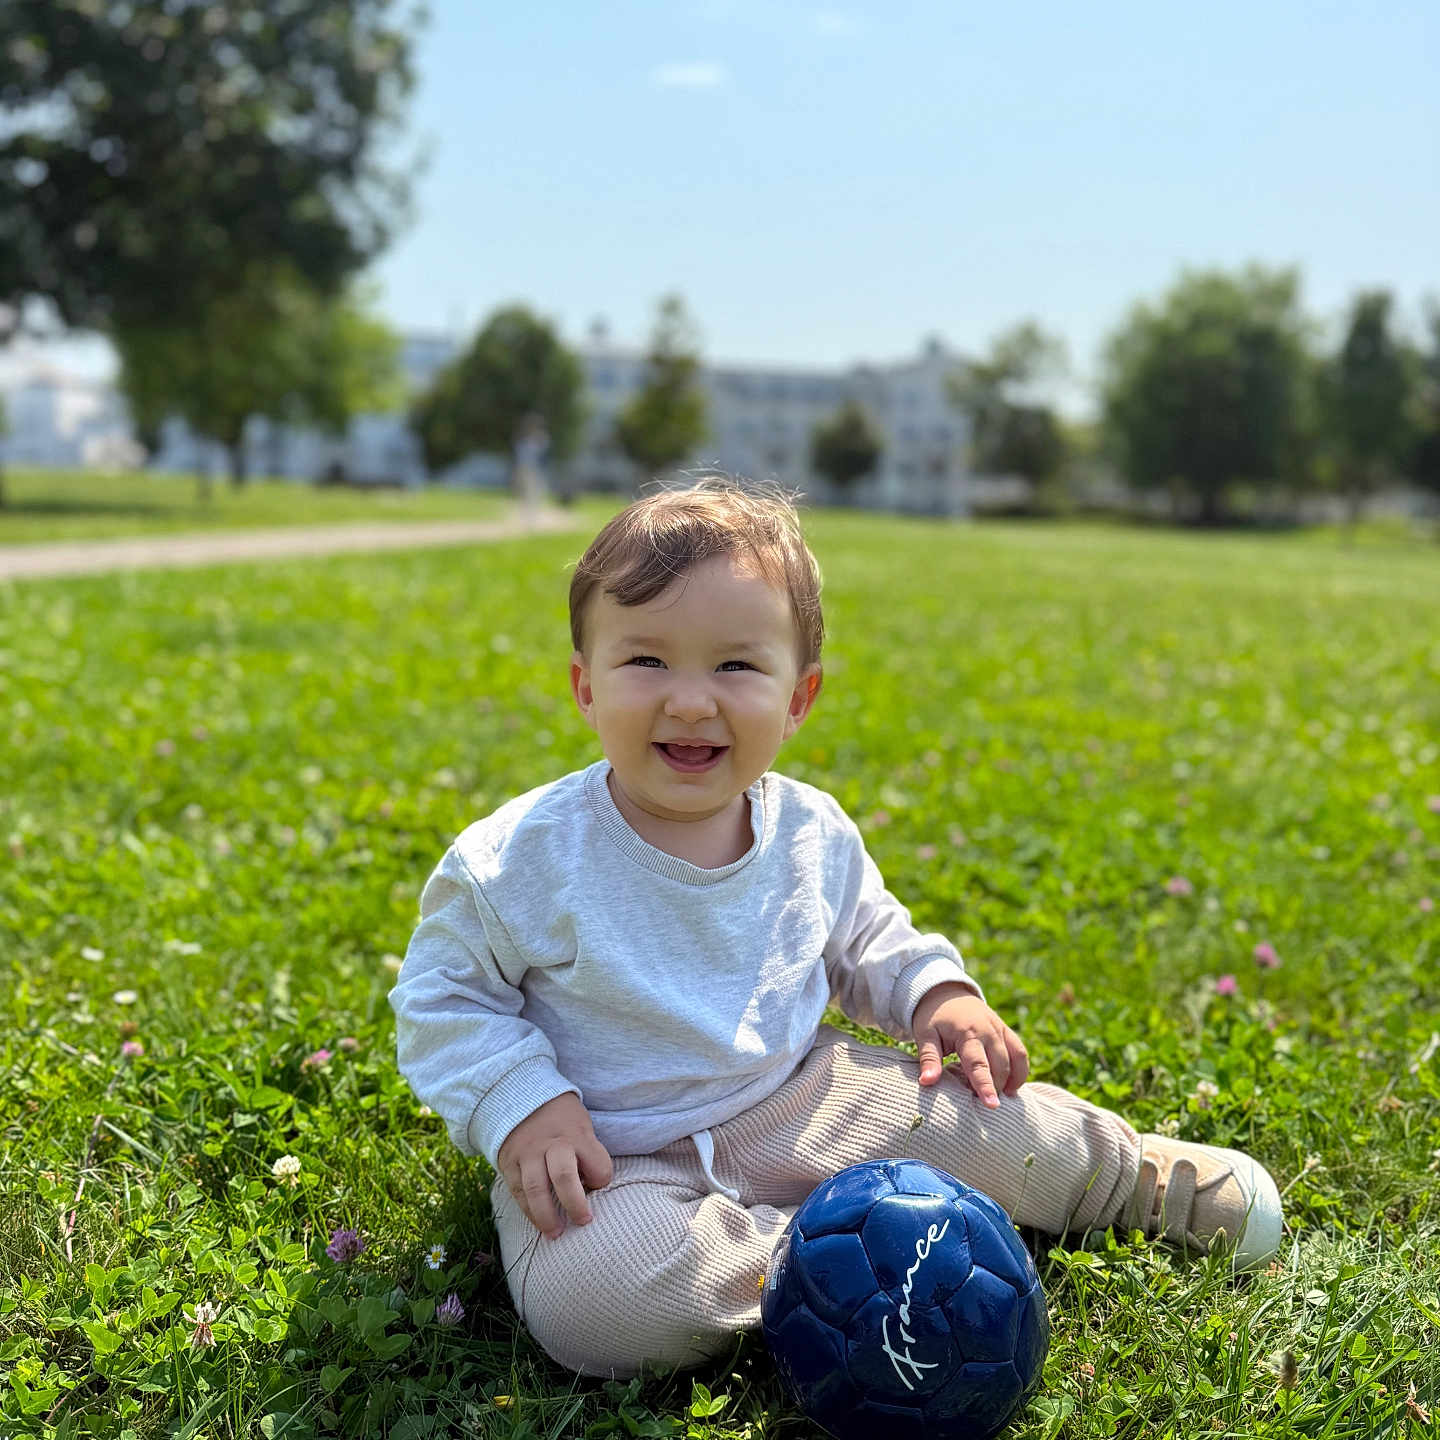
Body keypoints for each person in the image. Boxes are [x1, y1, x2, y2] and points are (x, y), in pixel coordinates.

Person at [389, 477, 1283, 1379]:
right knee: (602, 1306)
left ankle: (1134, 1182)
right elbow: (442, 1000)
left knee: (989, 1120)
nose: (692, 701)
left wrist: (937, 991)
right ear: (586, 686)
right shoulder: (516, 858)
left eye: (736, 667)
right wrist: (523, 1105)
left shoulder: (809, 831)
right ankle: (831, 1260)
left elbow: (868, 939)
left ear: (799, 697)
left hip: (807, 1099)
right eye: (647, 662)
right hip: (611, 1158)